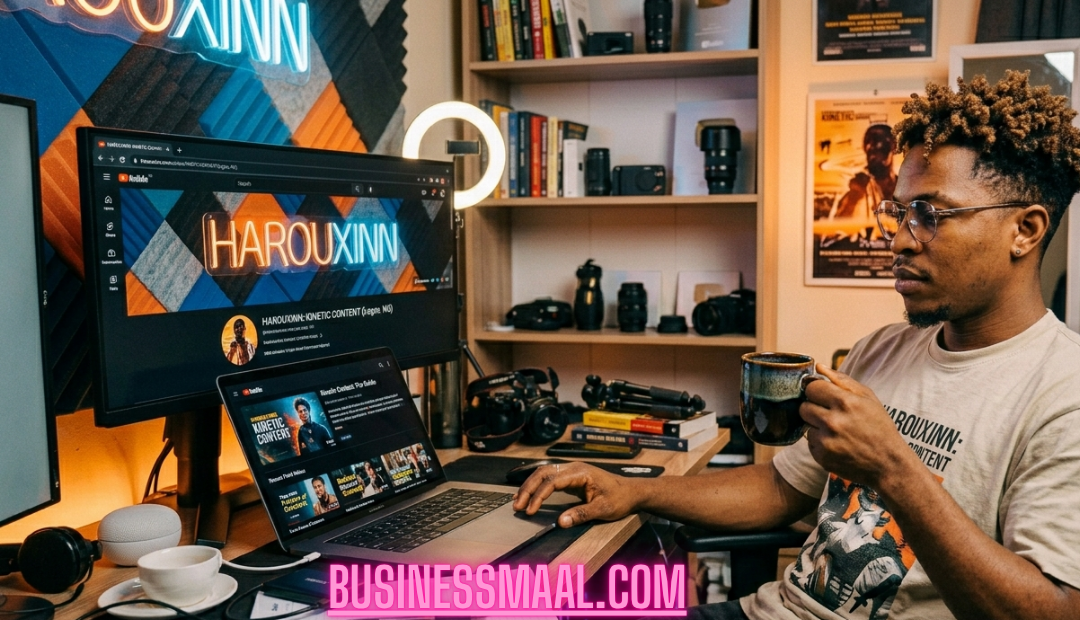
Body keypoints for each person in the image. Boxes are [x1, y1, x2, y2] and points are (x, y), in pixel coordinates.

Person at [514, 71, 1080, 620]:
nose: (902, 241)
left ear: (1025, 230)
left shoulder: (1063, 394)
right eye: (899, 213)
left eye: (931, 215)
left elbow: (1054, 610)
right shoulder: (883, 350)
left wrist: (894, 468)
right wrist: (634, 491)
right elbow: (783, 487)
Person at [833, 124, 898, 220]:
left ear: (894, 146)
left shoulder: (906, 189)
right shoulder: (857, 187)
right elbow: (838, 228)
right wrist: (855, 197)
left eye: (877, 141)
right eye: (867, 142)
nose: (870, 147)